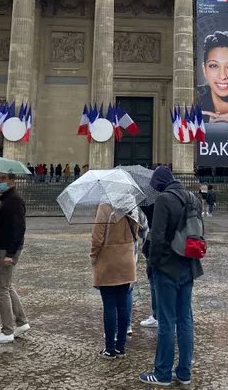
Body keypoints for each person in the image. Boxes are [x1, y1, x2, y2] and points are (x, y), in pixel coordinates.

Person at [139, 166, 203, 387]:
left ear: (161, 183)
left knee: (166, 321)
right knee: (185, 319)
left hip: (167, 268)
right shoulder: (193, 198)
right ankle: (184, 372)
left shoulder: (164, 200)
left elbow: (156, 237)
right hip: (189, 266)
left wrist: (152, 265)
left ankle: (163, 373)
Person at [91, 203, 139, 358]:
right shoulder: (131, 205)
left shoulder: (105, 207)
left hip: (109, 260)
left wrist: (93, 256)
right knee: (123, 305)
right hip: (126, 259)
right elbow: (137, 231)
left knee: (109, 305)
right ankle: (121, 347)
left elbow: (97, 237)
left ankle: (109, 348)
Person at [0, 172, 30, 344]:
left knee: (1, 289)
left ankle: (7, 331)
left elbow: (19, 228)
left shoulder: (14, 201)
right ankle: (21, 322)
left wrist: (10, 255)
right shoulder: (7, 200)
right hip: (4, 248)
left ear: (12, 181)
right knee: (7, 286)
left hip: (6, 250)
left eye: (3, 179)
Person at [138, 203, 158, 329]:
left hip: (153, 246)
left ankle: (157, 316)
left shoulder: (150, 203)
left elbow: (144, 228)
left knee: (154, 282)